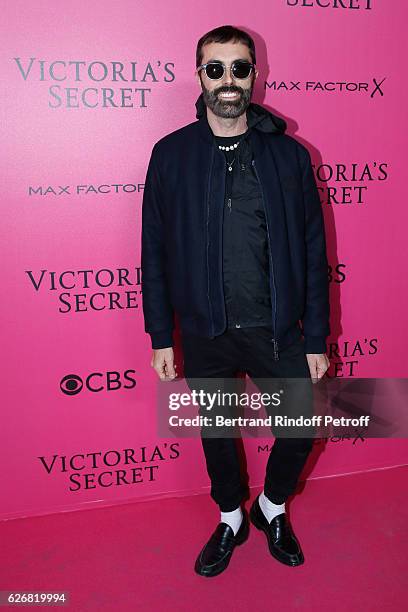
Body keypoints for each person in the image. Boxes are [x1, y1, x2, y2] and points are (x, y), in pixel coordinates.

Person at [141, 24, 330, 577]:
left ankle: (271, 507)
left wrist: (316, 335)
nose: (228, 80)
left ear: (255, 75)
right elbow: (154, 250)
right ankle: (230, 517)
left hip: (278, 330)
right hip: (206, 332)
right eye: (216, 68)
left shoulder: (288, 156)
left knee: (300, 424)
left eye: (239, 68)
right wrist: (159, 335)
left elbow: (314, 251)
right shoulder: (170, 155)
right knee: (218, 434)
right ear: (199, 75)